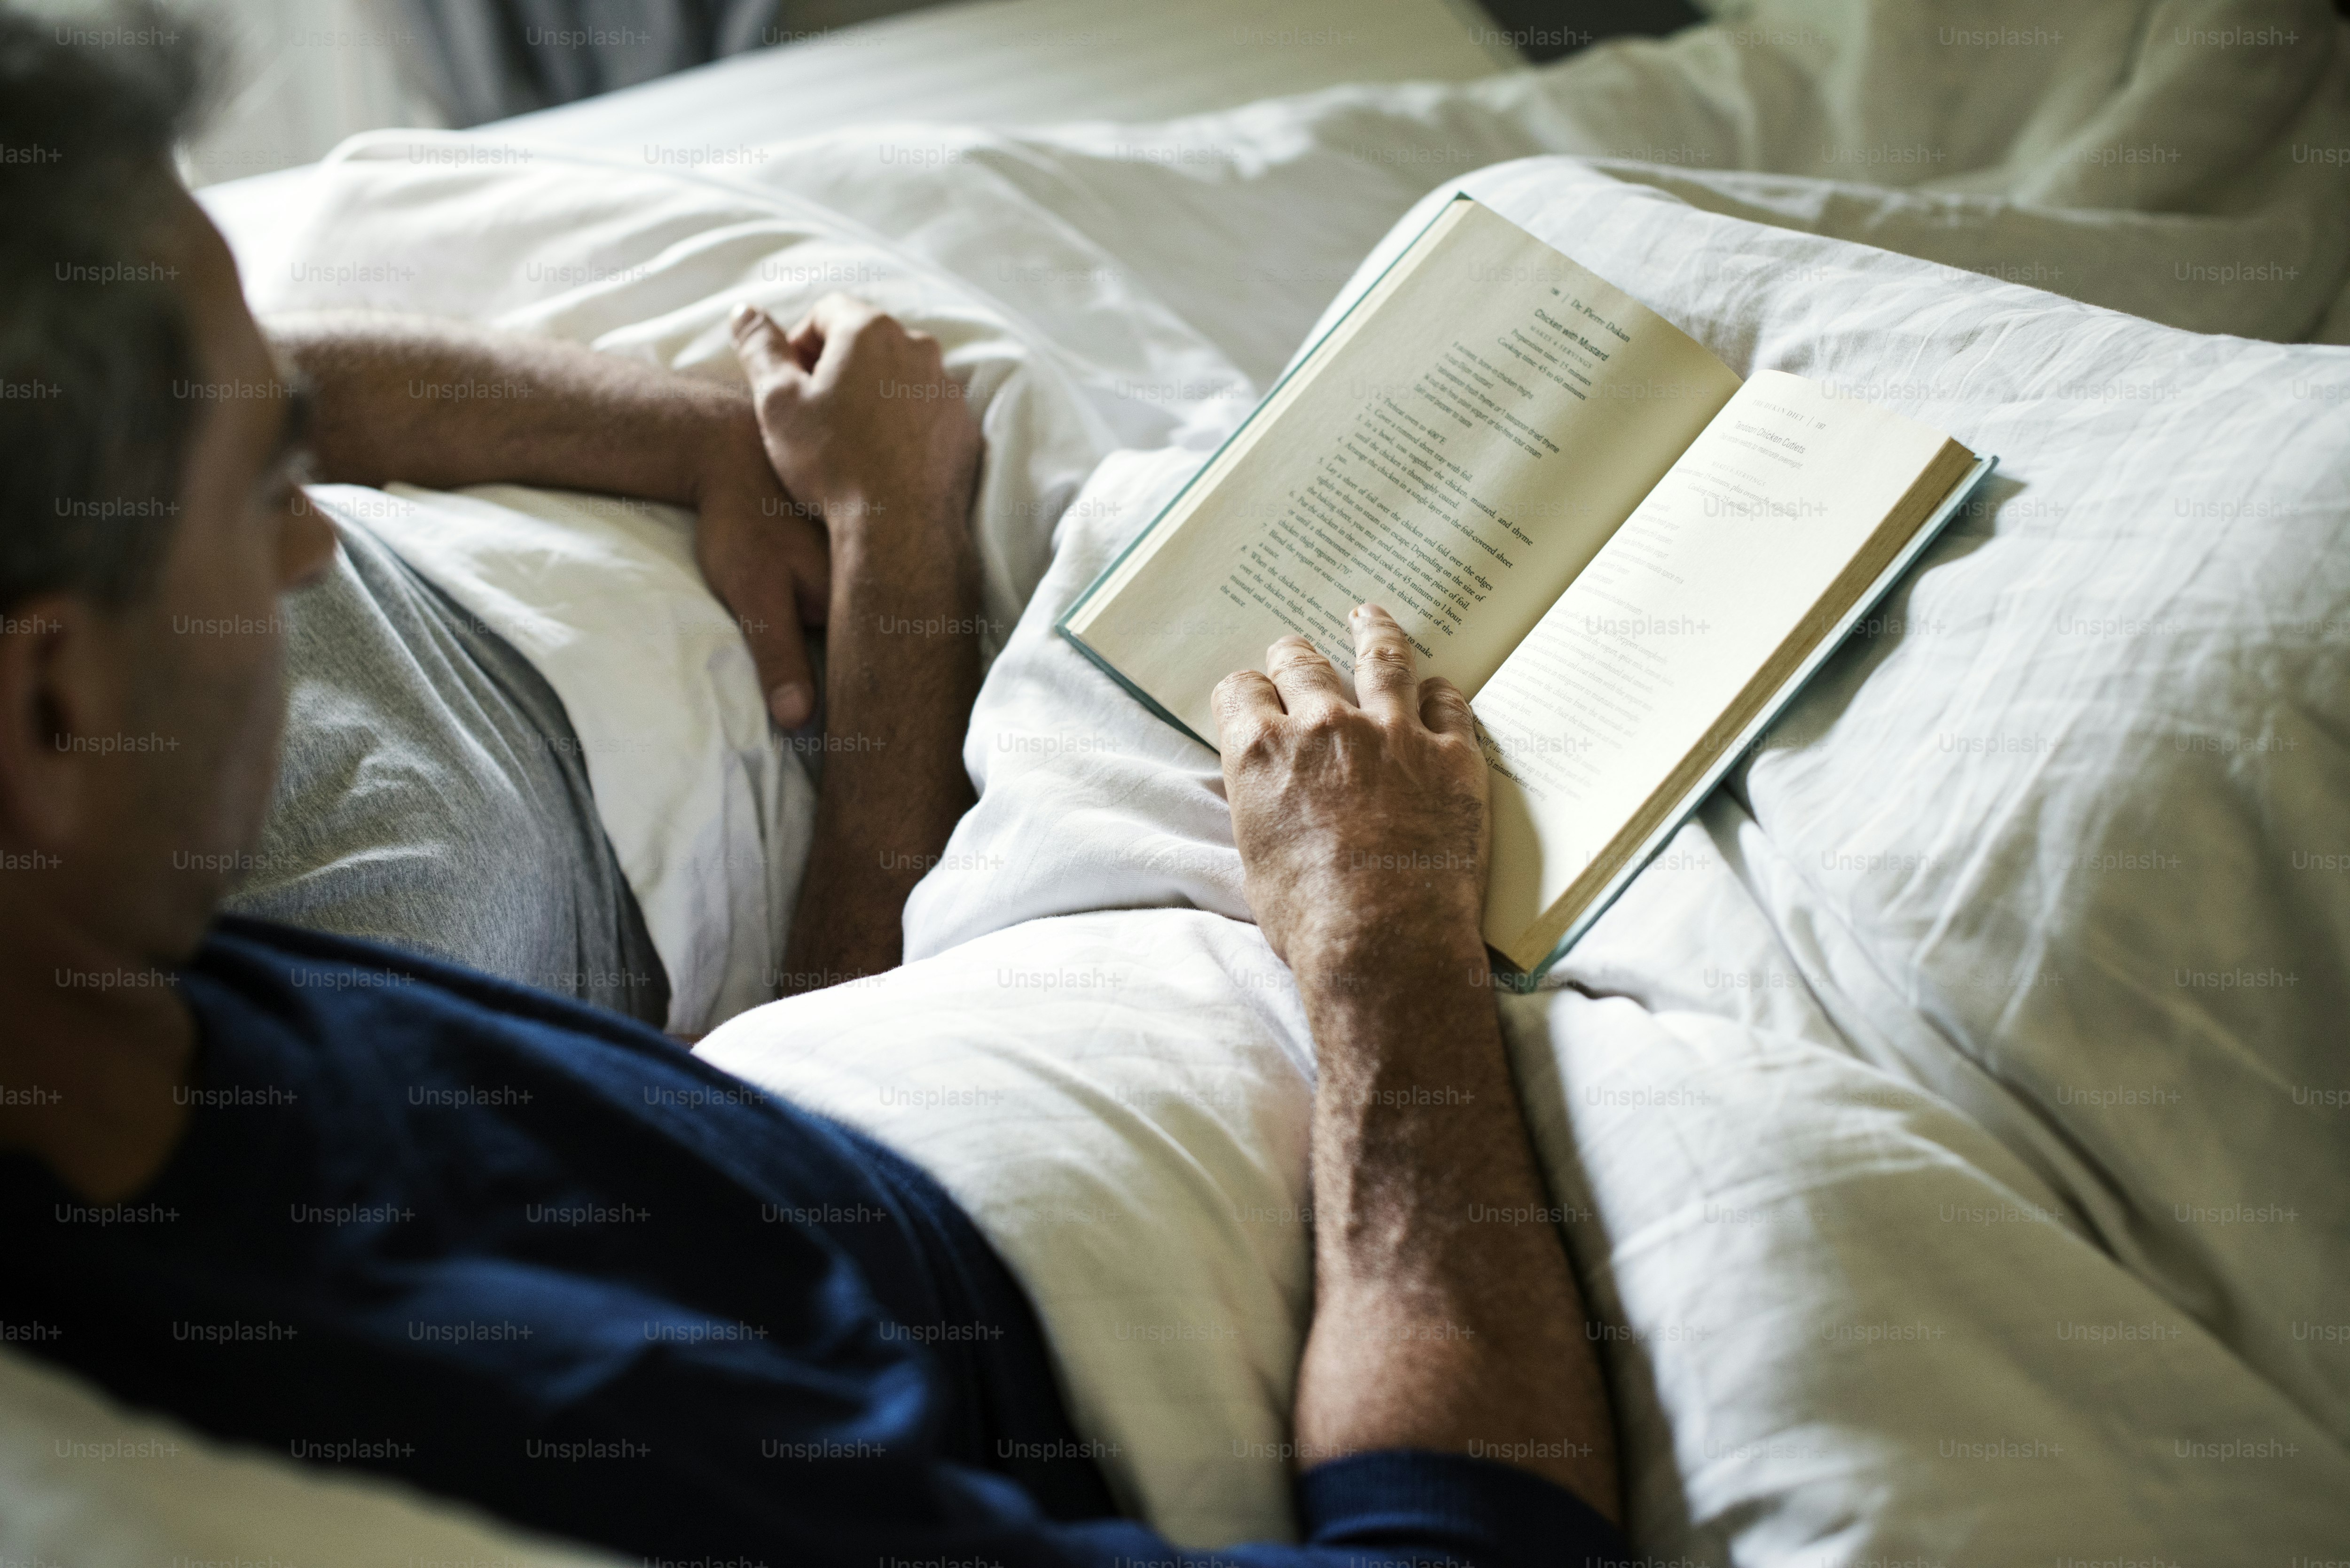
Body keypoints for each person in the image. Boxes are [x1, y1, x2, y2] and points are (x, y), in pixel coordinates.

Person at [0, 10, 1629, 1565]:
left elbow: (273, 379)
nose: (316, 539)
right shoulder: (526, 1427)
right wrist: (1383, 942)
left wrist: (703, 444)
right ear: (59, 709)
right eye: (262, 499)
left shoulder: (89, 961)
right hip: (1219, 1147)